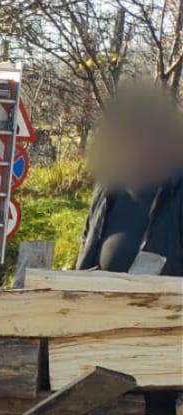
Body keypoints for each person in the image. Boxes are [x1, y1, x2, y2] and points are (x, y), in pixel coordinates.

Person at [77, 82, 183, 276]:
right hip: (96, 293)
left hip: (165, 296)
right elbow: (87, 242)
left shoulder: (177, 187)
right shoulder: (109, 186)